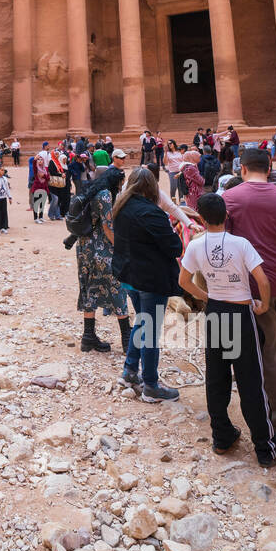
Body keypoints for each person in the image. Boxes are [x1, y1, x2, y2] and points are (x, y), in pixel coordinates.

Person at [179, 194, 276, 467]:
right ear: (226, 216)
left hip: (215, 312)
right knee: (251, 380)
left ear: (201, 220)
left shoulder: (196, 245)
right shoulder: (241, 243)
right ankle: (266, 448)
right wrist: (263, 306)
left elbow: (183, 280)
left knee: (216, 378)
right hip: (241, 314)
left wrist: (206, 296)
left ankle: (222, 437)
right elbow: (262, 280)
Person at [223, 148, 276, 453]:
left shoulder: (230, 198)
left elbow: (226, 246)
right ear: (270, 166)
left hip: (255, 285)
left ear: (243, 169)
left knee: (268, 354)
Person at [112, 167, 184, 402]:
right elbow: (174, 247)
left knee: (142, 322)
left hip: (130, 277)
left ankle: (130, 371)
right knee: (150, 330)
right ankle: (151, 386)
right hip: (150, 279)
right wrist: (174, 230)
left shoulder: (121, 207)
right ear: (152, 187)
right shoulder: (151, 213)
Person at [73, 165, 131, 355]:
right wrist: (121, 248)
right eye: (121, 183)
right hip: (100, 249)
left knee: (90, 287)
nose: (122, 187)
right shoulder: (105, 195)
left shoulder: (92, 190)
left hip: (84, 248)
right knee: (117, 287)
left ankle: (88, 337)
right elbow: (107, 227)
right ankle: (127, 339)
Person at [30, 151, 50, 224]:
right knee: (36, 203)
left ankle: (41, 217)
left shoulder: (45, 169)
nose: (40, 161)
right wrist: (35, 159)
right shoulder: (36, 169)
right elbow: (34, 166)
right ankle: (36, 218)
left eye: (41, 160)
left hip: (44, 188)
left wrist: (44, 176)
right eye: (39, 160)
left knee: (42, 203)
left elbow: (48, 177)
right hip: (37, 188)